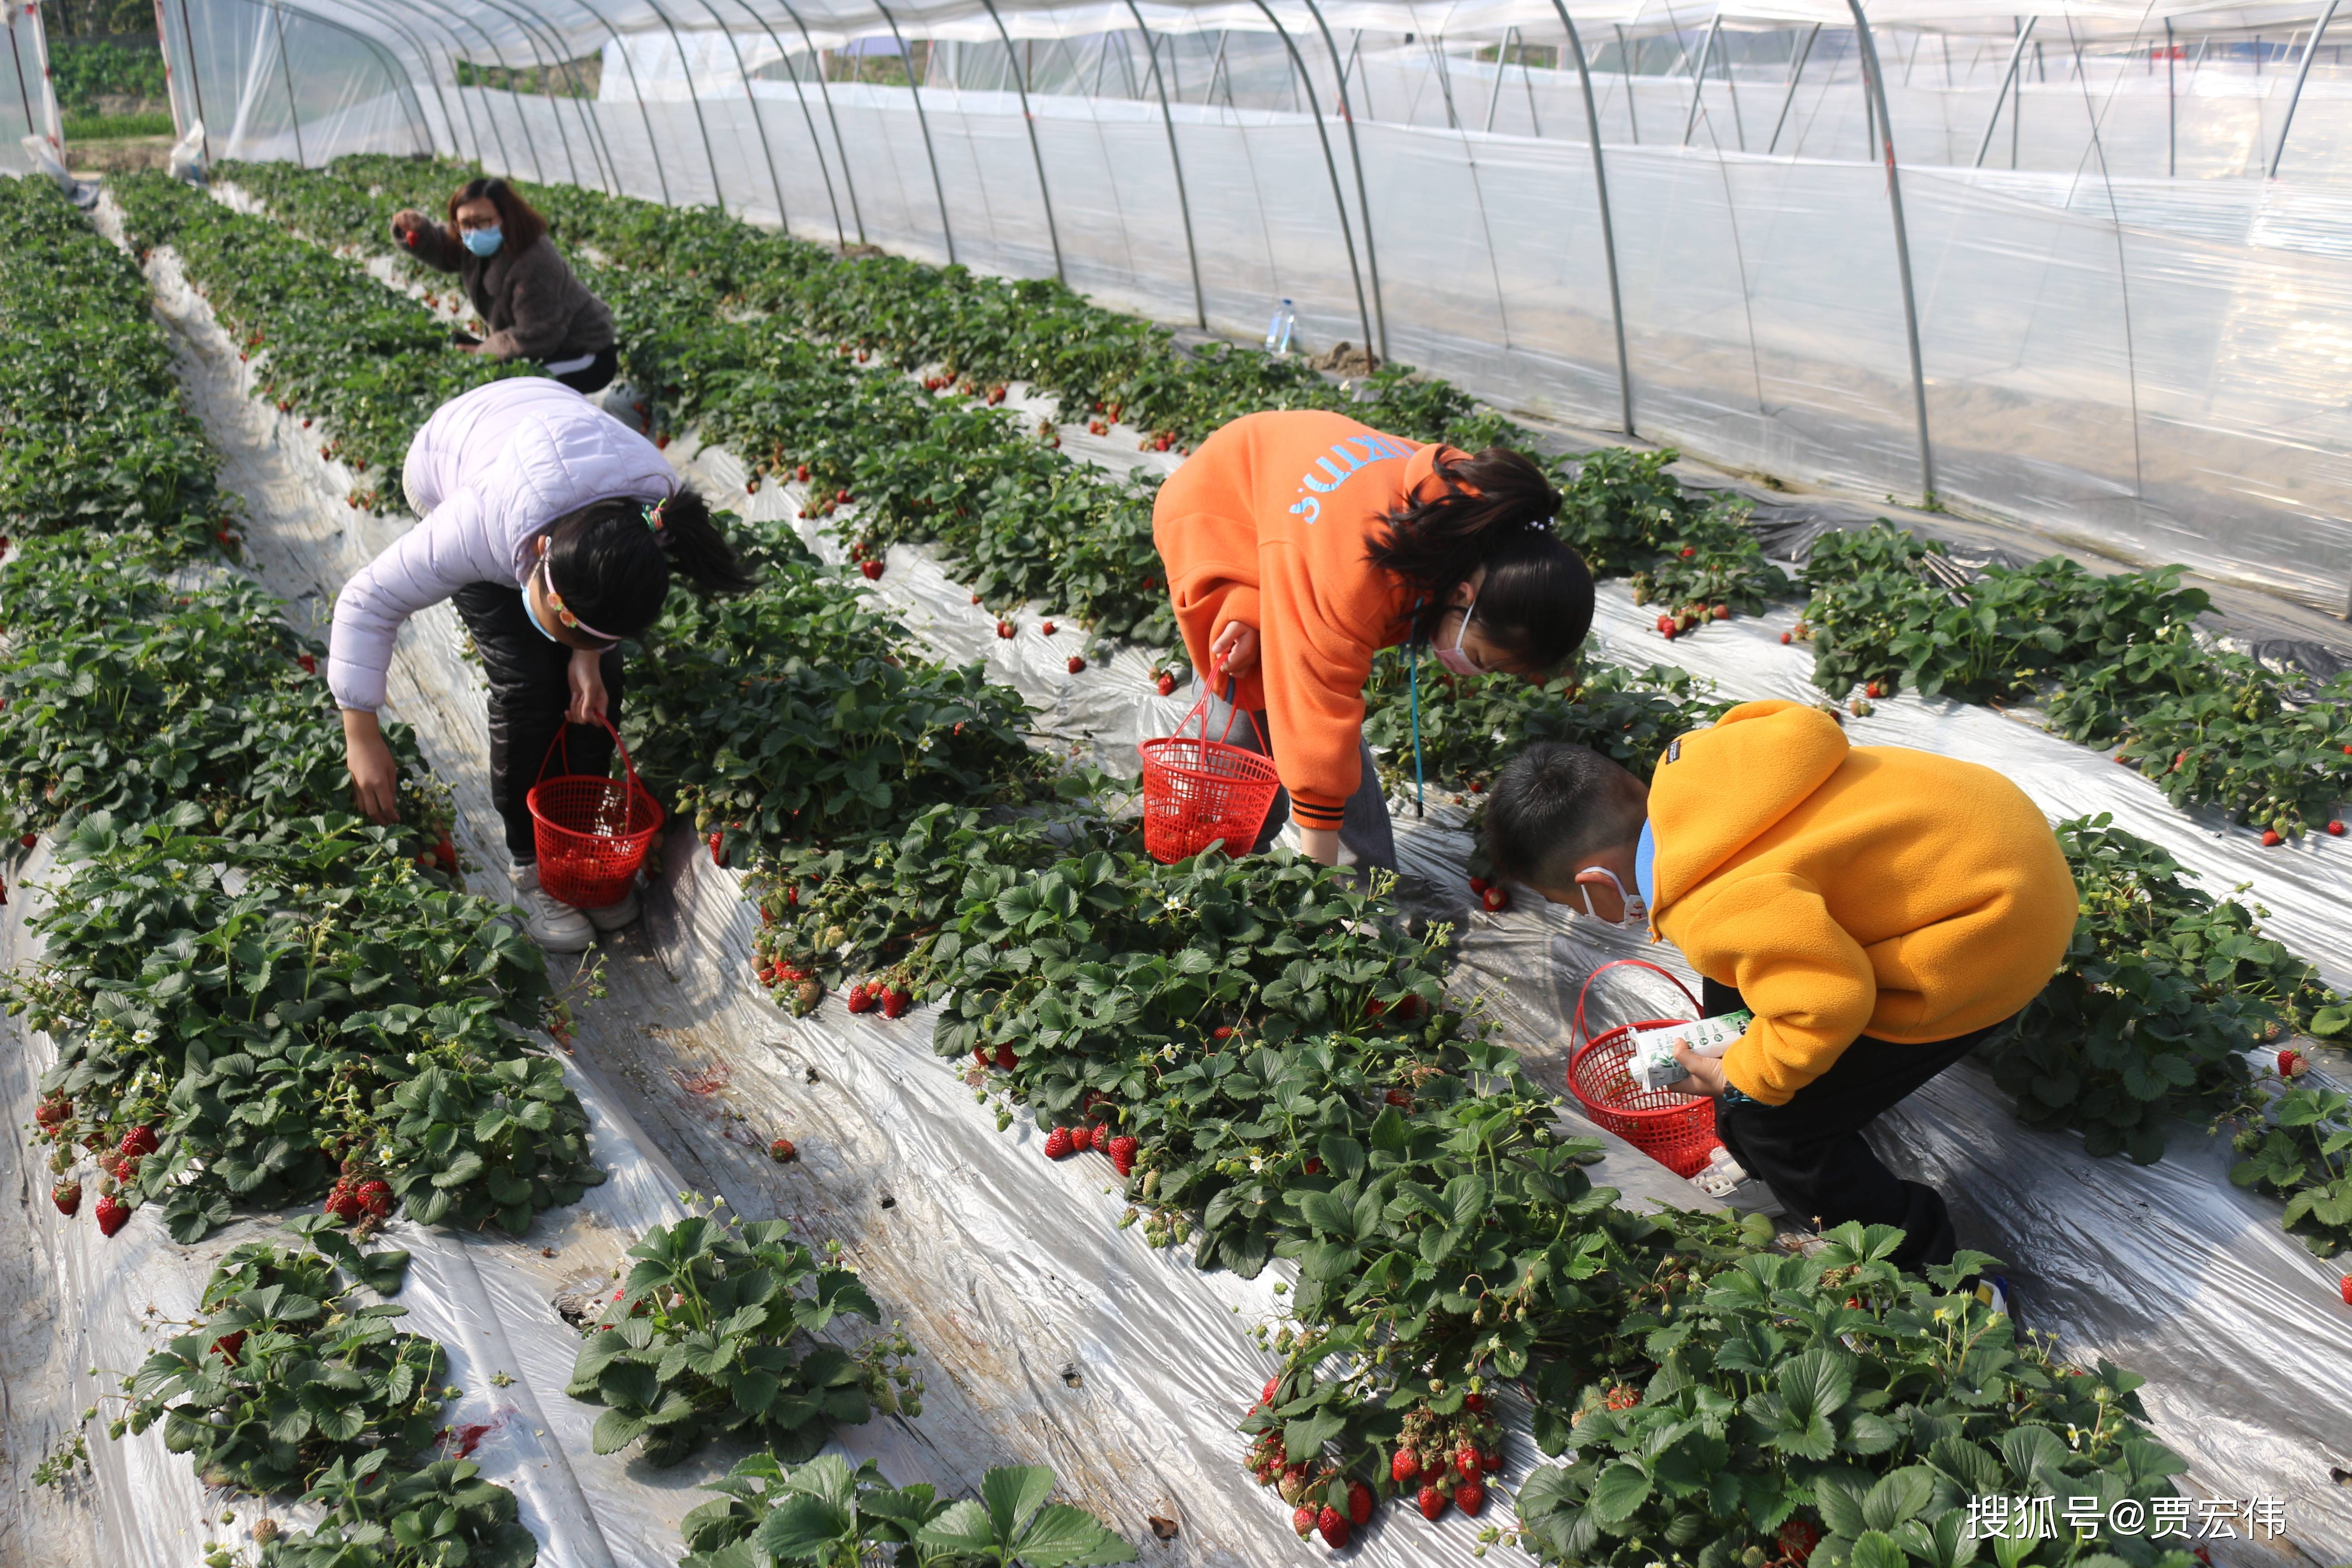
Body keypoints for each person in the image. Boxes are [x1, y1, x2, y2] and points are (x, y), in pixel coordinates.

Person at [1481, 702, 2078, 1276]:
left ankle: (1940, 1276)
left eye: (1578, 907)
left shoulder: (1718, 906)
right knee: (1738, 989)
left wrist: (1744, 1078)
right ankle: (1747, 1149)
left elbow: (1830, 1002)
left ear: (1596, 881)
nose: (1595, 920)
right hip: (1996, 840)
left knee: (1781, 1126)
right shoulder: (1701, 771)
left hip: (1996, 937)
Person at [330, 377, 754, 952]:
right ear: (536, 560)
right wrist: (362, 734)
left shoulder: (651, 510)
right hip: (453, 456)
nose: (583, 636)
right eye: (568, 622)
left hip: (555, 451)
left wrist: (588, 655)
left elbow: (593, 616)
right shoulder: (469, 529)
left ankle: (580, 850)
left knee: (603, 686)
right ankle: (533, 866)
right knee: (528, 684)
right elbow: (365, 601)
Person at [1152, 410, 1595, 869]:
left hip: (1288, 512)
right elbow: (1318, 723)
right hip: (1218, 505)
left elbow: (1303, 557)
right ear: (1463, 598)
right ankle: (1216, 862)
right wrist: (1316, 885)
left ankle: (1335, 883)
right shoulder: (1356, 578)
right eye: (1482, 659)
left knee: (1272, 668)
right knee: (1251, 687)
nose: (1477, 673)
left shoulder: (1480, 524)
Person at [389, 176, 619, 394]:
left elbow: (538, 335)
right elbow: (444, 249)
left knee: (514, 388)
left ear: (508, 217)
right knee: (481, 370)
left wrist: (483, 352)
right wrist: (418, 230)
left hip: (582, 353)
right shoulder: (477, 245)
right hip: (540, 344)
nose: (473, 232)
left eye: (483, 222)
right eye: (465, 225)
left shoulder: (535, 262)